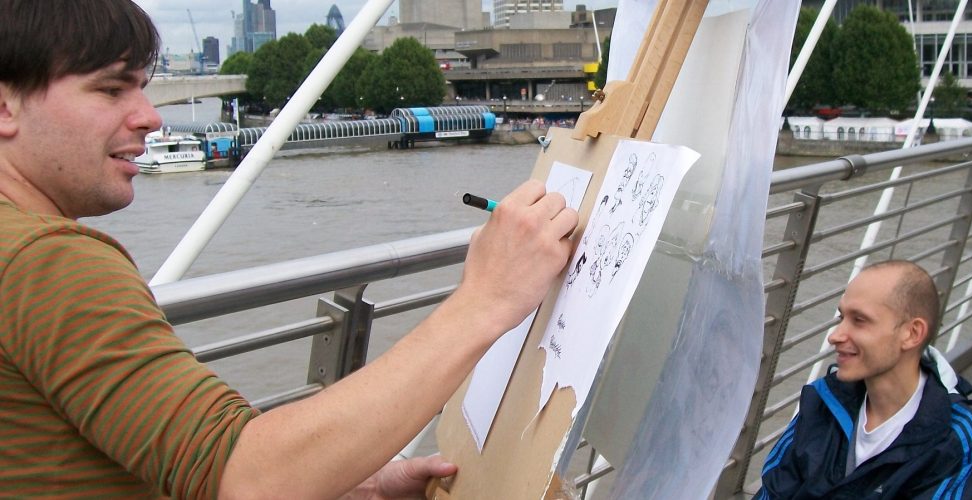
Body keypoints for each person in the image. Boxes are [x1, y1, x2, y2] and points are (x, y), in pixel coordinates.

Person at [0, 1, 578, 497]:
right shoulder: (48, 260)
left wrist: (342, 480)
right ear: (7, 105)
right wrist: (488, 298)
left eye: (144, 88)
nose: (150, 117)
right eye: (109, 89)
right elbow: (247, 480)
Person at [755, 260, 972, 499]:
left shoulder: (957, 438)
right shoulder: (822, 401)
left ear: (912, 333)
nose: (835, 336)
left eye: (859, 320)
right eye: (842, 318)